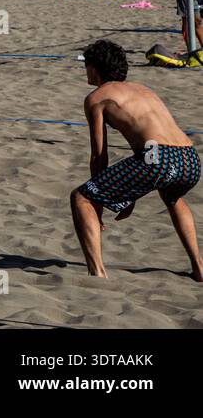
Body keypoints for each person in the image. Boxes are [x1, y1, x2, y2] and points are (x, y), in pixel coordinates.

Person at [70, 40, 201, 281]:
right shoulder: (143, 89)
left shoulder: (97, 98)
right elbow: (144, 146)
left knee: (81, 198)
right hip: (190, 158)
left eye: (87, 65)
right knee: (172, 197)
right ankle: (199, 267)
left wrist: (99, 201)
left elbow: (99, 155)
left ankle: (97, 272)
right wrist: (127, 193)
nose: (85, 70)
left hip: (159, 158)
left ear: (95, 69)